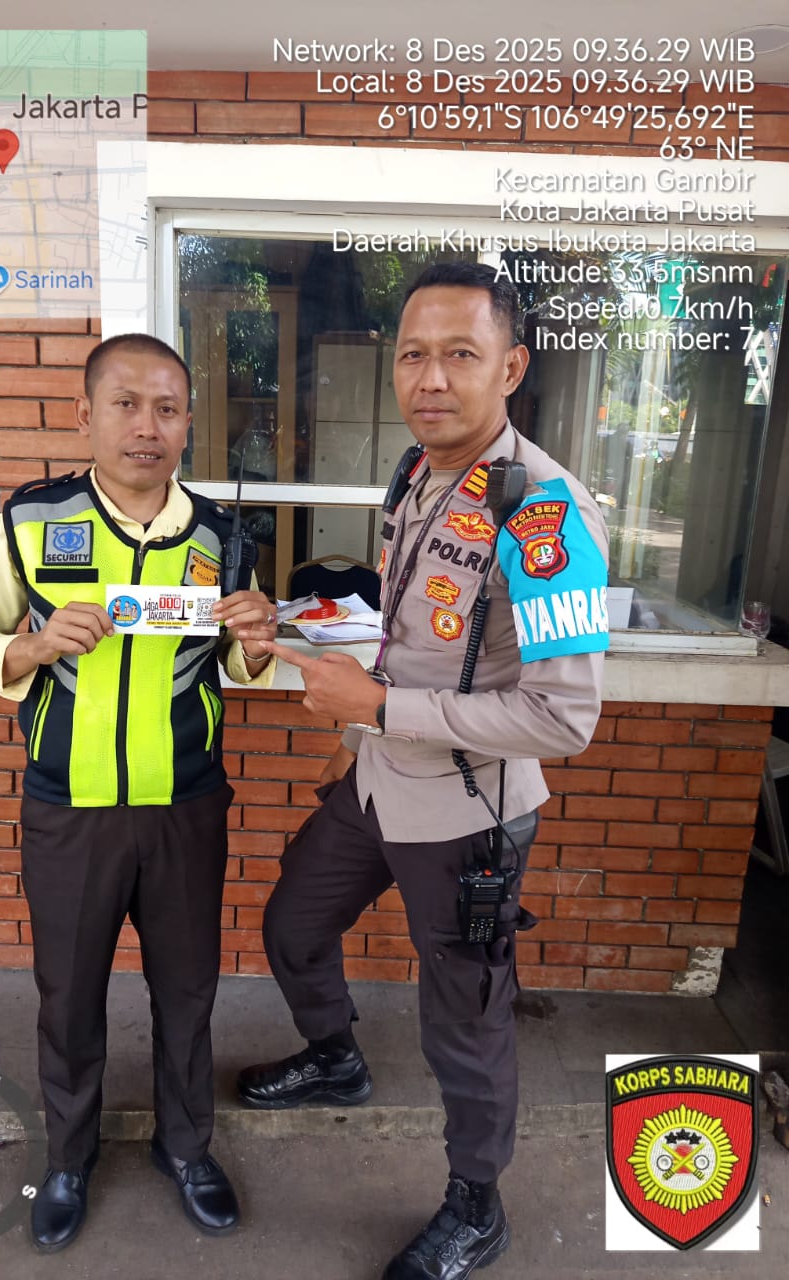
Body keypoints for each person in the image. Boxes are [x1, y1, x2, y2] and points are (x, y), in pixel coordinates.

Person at [237, 263, 610, 1279]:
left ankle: (477, 1207)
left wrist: (377, 708)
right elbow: (415, 627)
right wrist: (343, 689)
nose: (430, 377)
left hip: (471, 813)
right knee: (294, 922)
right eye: (412, 353)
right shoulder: (418, 470)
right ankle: (336, 1056)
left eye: (459, 354)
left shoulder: (546, 514)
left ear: (511, 368)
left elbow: (565, 718)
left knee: (465, 1023)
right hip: (378, 775)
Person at [0, 333, 278, 1252]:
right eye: (125, 405)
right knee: (69, 996)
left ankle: (187, 1148)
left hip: (185, 805)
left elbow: (241, 664)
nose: (146, 427)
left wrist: (259, 637)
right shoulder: (31, 519)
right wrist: (30, 646)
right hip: (68, 808)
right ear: (84, 414)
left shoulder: (222, 535)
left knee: (188, 991)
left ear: (188, 423)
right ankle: (68, 1158)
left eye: (167, 409)